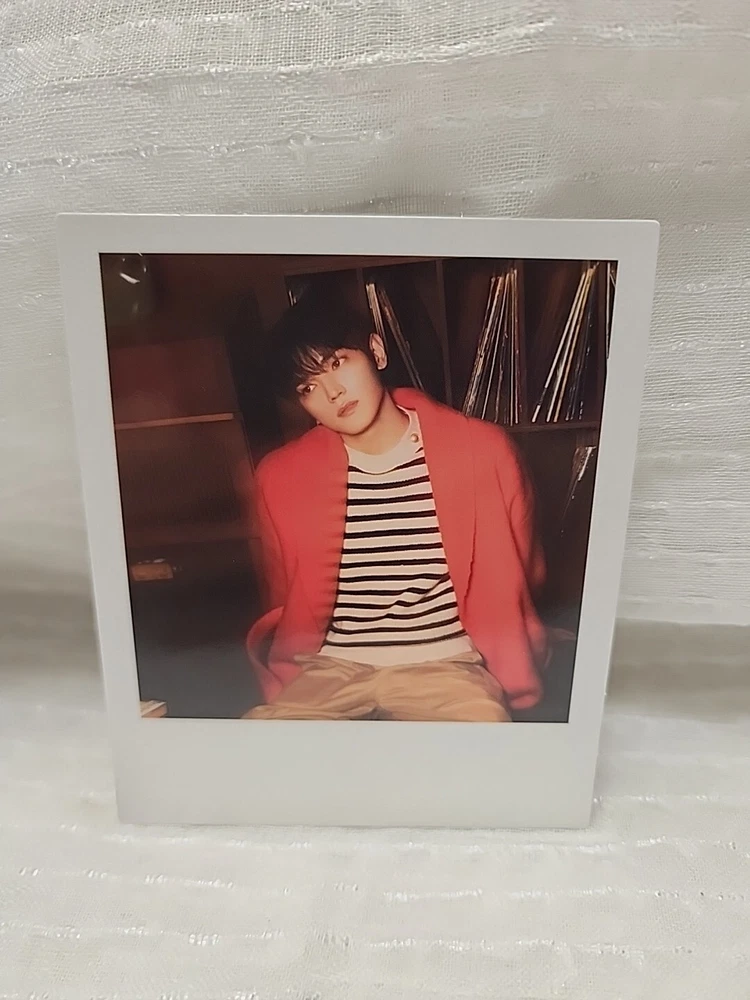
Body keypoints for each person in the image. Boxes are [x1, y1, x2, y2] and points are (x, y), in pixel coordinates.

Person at [242, 284, 547, 721]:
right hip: (332, 667)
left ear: (377, 352)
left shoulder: (480, 450)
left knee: (480, 746)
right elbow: (283, 591)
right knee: (258, 750)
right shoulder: (281, 477)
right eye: (308, 386)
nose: (332, 392)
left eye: (337, 363)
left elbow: (524, 567)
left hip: (445, 663)